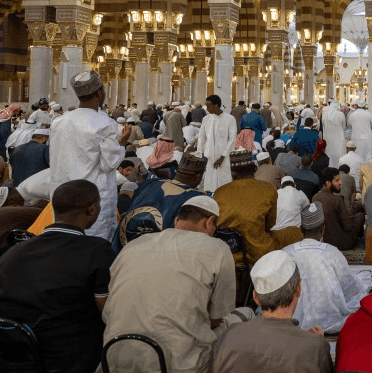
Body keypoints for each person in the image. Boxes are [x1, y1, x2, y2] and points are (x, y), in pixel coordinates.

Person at [103, 196, 249, 373]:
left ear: (177, 220)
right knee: (245, 317)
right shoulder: (216, 248)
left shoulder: (134, 246)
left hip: (115, 367)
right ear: (209, 222)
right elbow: (217, 318)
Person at [0, 180, 115, 373]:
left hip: (11, 357)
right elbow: (109, 311)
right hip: (66, 360)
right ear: (92, 209)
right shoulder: (97, 250)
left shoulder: (12, 253)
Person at [48, 71, 128, 240]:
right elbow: (110, 164)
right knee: (93, 246)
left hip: (63, 196)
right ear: (100, 92)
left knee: (65, 241)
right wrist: (122, 144)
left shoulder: (59, 122)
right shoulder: (104, 123)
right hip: (91, 199)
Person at [281, 203, 365, 333]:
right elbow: (349, 287)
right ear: (322, 229)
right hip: (330, 319)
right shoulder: (333, 252)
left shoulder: (286, 252)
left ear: (301, 230)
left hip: (291, 319)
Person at [212, 149, 283, 282]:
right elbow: (270, 224)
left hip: (229, 254)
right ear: (255, 169)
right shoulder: (269, 189)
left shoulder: (219, 192)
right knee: (292, 233)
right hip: (259, 253)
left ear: (233, 172)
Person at [115, 153, 206, 249]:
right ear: (198, 177)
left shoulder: (149, 184)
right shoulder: (195, 198)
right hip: (160, 255)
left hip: (125, 249)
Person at [313, 167, 363, 251]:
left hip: (324, 241)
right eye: (337, 181)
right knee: (360, 216)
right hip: (341, 243)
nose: (340, 183)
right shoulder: (337, 200)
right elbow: (347, 226)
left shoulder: (315, 197)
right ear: (328, 183)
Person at [197, 94, 238, 193]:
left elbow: (232, 139)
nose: (207, 108)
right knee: (209, 181)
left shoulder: (230, 119)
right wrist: (199, 154)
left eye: (209, 106)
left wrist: (222, 156)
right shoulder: (206, 119)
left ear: (216, 105)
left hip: (224, 157)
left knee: (224, 181)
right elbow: (201, 137)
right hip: (209, 156)